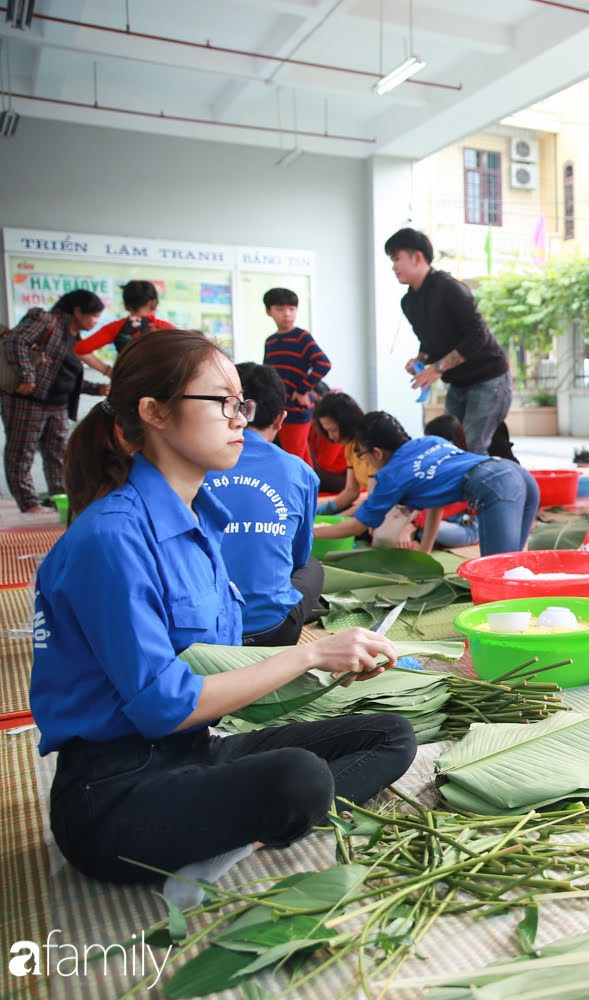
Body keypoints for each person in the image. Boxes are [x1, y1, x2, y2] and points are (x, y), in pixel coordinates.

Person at [39, 329, 414, 908]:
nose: (241, 417)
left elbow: (222, 662)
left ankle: (249, 824)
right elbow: (164, 706)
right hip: (114, 792)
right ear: (154, 412)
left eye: (242, 403)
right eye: (222, 402)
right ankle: (256, 818)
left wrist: (328, 667)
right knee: (301, 779)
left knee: (389, 733)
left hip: (194, 751)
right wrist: (308, 654)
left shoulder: (202, 516)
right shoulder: (110, 537)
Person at [201, 363, 323, 647]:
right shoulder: (299, 471)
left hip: (202, 633)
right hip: (274, 631)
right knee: (312, 567)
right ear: (281, 419)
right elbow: (297, 557)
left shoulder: (194, 464)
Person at [312, 412, 539, 556]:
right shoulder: (429, 441)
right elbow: (436, 503)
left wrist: (310, 534)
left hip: (494, 486)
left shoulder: (390, 476)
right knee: (513, 565)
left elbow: (356, 526)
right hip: (519, 475)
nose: (365, 460)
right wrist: (425, 551)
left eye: (363, 454)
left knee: (498, 570)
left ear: (377, 453)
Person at [385, 228, 512, 454]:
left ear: (417, 257)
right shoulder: (409, 302)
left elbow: (478, 336)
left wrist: (438, 368)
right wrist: (420, 360)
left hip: (489, 380)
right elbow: (429, 342)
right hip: (459, 383)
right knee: (448, 446)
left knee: (472, 447)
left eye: (397, 258)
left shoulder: (450, 288)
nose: (393, 266)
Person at [2, 290, 108, 514]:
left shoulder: (74, 338)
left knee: (58, 456)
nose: (95, 322)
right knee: (21, 454)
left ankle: (61, 501)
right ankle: (29, 503)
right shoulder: (45, 320)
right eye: (93, 315)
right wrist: (27, 376)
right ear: (77, 311)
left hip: (58, 406)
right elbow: (15, 340)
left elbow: (64, 374)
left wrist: (97, 388)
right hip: (28, 403)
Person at [261, 288, 331, 467]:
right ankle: (311, 494)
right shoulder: (270, 341)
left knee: (294, 460)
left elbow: (323, 364)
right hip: (279, 408)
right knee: (302, 457)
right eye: (280, 309)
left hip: (297, 409)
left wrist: (302, 390)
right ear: (269, 311)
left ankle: (299, 494)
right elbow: (268, 375)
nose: (287, 314)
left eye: (292, 309)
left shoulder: (302, 337)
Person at [74, 279, 173, 376]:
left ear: (126, 305)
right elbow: (185, 352)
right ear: (153, 303)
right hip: (156, 386)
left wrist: (107, 370)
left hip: (123, 384)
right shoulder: (165, 328)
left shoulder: (116, 327)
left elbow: (80, 349)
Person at [419, 415, 480, 549]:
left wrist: (413, 524)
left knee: (425, 530)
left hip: (468, 528)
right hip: (445, 521)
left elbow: (439, 508)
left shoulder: (465, 467)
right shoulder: (436, 466)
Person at [312, 391, 377, 515]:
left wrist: (337, 519)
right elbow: (351, 491)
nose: (331, 437)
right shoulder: (351, 447)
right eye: (327, 431)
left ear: (346, 422)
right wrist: (321, 512)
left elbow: (374, 500)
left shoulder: (371, 447)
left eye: (334, 430)